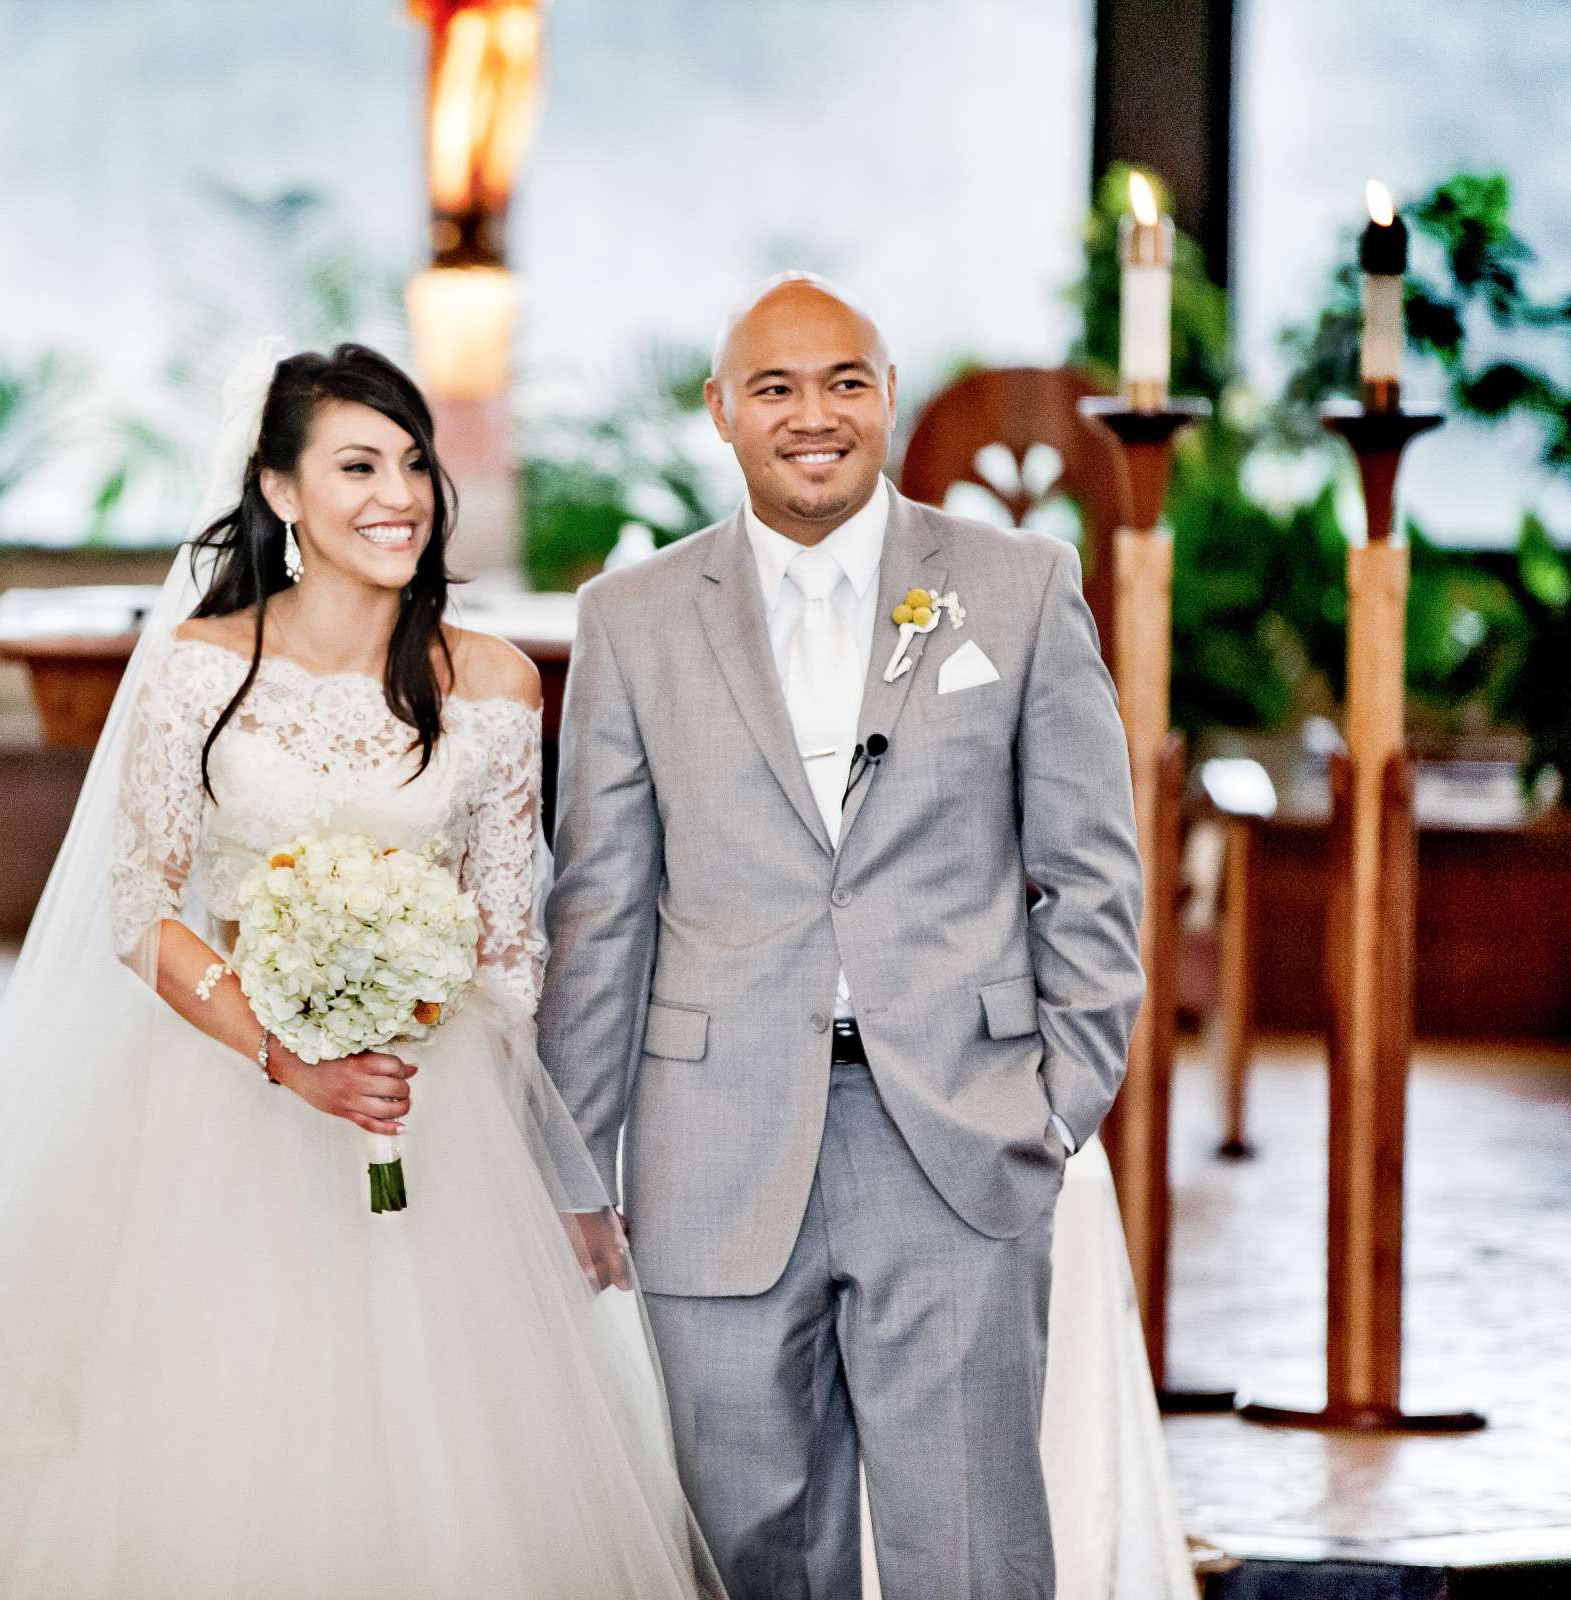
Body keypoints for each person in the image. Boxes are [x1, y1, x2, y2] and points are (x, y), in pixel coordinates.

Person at [0, 343, 720, 1599]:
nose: (398, 494)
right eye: (356, 464)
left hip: (429, 1123)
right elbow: (140, 909)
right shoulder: (198, 667)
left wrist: (421, 1029)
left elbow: (510, 947)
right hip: (220, 1112)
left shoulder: (492, 682)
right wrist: (290, 1051)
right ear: (281, 491)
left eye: (412, 463)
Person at [541, 273, 1170, 1599]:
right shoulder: (631, 619)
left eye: (843, 381)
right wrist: (577, 1165)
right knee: (745, 1541)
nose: (810, 415)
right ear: (720, 412)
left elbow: (1094, 873)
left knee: (969, 1548)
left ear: (887, 397)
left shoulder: (1016, 584)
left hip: (955, 1128)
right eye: (774, 386)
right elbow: (599, 908)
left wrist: (1057, 1107)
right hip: (710, 1144)